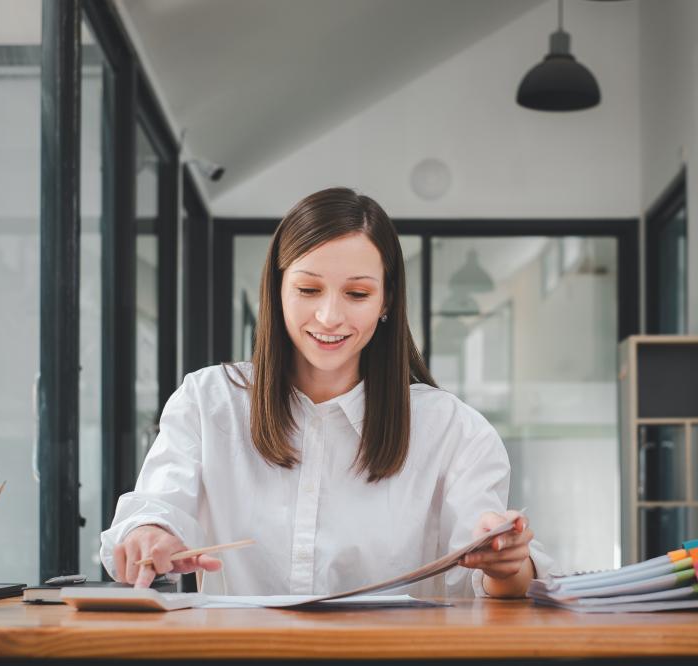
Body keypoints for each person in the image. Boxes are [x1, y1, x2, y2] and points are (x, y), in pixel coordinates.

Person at [100, 187, 554, 598]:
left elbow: (490, 579)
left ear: (386, 301)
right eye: (308, 289)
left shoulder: (452, 429)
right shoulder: (208, 400)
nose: (329, 316)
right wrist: (150, 533)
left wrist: (506, 562)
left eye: (357, 294)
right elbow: (158, 504)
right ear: (277, 291)